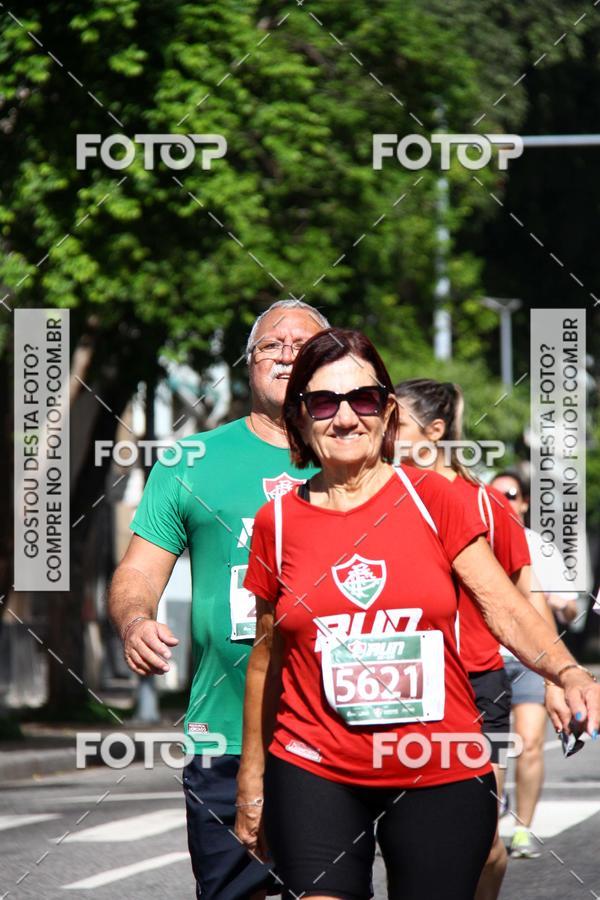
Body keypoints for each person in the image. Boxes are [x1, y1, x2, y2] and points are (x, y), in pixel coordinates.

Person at [235, 328, 599, 900]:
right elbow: (266, 660)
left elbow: (505, 608)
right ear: (300, 419)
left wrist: (569, 673)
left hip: (440, 764)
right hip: (314, 764)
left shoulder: (437, 499)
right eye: (325, 402)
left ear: (386, 413)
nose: (346, 417)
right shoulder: (276, 523)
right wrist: (251, 780)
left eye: (364, 399)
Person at [108, 299, 329, 900]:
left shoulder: (356, 457)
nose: (286, 354)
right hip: (224, 732)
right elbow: (138, 572)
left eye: (302, 346)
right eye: (271, 345)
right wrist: (134, 622)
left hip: (332, 730)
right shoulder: (189, 462)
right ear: (247, 363)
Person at [394, 379, 531, 900]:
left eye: (396, 423)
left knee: (485, 843)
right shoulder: (378, 498)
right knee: (410, 836)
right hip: (407, 686)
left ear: (433, 431)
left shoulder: (485, 503)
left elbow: (525, 598)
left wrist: (560, 676)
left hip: (479, 684)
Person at [491, 470, 580, 859]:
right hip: (486, 660)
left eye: (511, 495)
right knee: (492, 750)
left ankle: (524, 829)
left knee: (528, 743)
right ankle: (488, 832)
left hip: (530, 660)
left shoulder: (538, 547)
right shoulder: (476, 544)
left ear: (525, 501)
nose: (504, 502)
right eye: (495, 496)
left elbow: (570, 605)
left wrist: (562, 604)